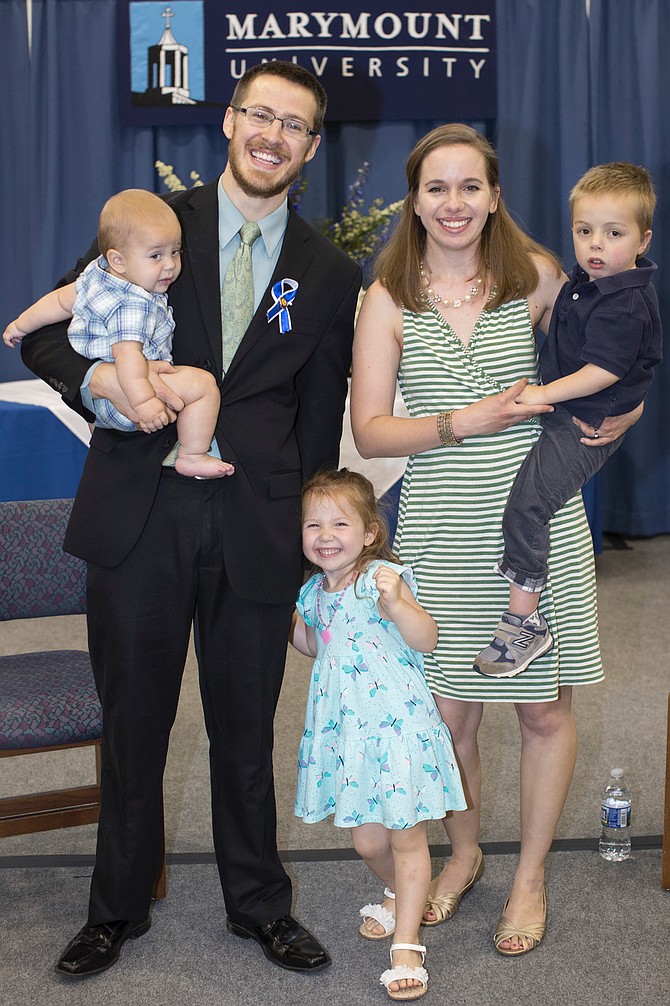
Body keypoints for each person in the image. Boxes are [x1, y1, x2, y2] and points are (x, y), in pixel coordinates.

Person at [20, 62, 361, 977]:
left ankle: (259, 904)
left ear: (311, 146)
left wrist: (320, 553)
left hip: (257, 529)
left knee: (245, 730)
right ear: (229, 122)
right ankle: (115, 909)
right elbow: (57, 327)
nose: (272, 135)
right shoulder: (158, 224)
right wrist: (99, 383)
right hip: (141, 518)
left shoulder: (329, 271)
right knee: (133, 725)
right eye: (260, 115)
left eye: (294, 125)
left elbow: (319, 424)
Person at [350, 124, 641, 956]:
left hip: (537, 537)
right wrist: (460, 423)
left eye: (470, 187)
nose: (454, 204)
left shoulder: (542, 277)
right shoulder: (387, 299)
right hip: (440, 535)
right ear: (415, 199)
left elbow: (624, 355)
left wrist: (629, 410)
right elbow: (370, 435)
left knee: (545, 712)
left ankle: (529, 878)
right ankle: (467, 852)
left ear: (495, 194)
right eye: (437, 188)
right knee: (450, 720)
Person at [475, 162, 662, 678]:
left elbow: (602, 372)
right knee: (525, 504)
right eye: (584, 231)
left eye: (614, 233)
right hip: (575, 413)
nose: (595, 244)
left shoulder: (624, 302)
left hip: (584, 423)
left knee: (527, 506)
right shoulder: (590, 281)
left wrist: (540, 394)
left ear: (644, 240)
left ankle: (524, 621)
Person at [290, 468, 466, 1001]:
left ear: (369, 533)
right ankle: (400, 891)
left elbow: (427, 638)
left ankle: (407, 942)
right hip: (346, 734)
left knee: (407, 835)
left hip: (395, 726)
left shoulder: (380, 579)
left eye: (340, 523)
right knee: (367, 839)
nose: (325, 535)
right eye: (313, 524)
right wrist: (294, 620)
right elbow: (314, 646)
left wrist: (398, 603)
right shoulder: (313, 591)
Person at [4, 189, 234, 480]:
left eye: (175, 251)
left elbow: (60, 302)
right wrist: (144, 403)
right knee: (202, 386)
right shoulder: (132, 305)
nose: (170, 265)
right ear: (118, 260)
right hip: (130, 397)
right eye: (156, 255)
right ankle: (192, 454)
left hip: (96, 409)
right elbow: (128, 358)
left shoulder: (97, 275)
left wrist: (20, 325)